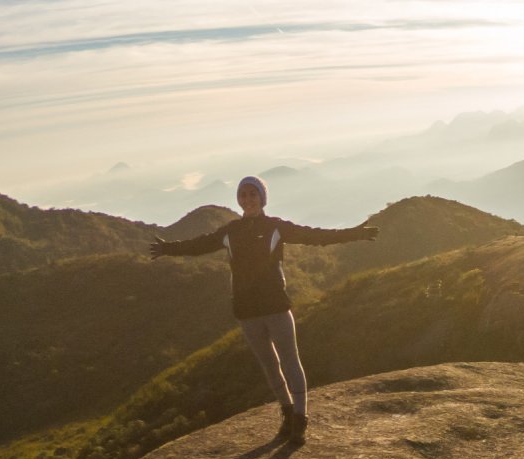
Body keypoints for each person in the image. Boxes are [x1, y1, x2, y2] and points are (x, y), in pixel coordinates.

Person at [147, 175, 378, 444]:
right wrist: (168, 248)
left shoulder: (275, 227)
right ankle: (287, 412)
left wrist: (354, 233)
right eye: (243, 195)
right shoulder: (230, 231)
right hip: (247, 311)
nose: (248, 199)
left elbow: (315, 236)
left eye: (252, 194)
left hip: (276, 306)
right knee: (269, 365)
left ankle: (300, 418)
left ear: (262, 198)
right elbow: (199, 245)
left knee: (290, 361)